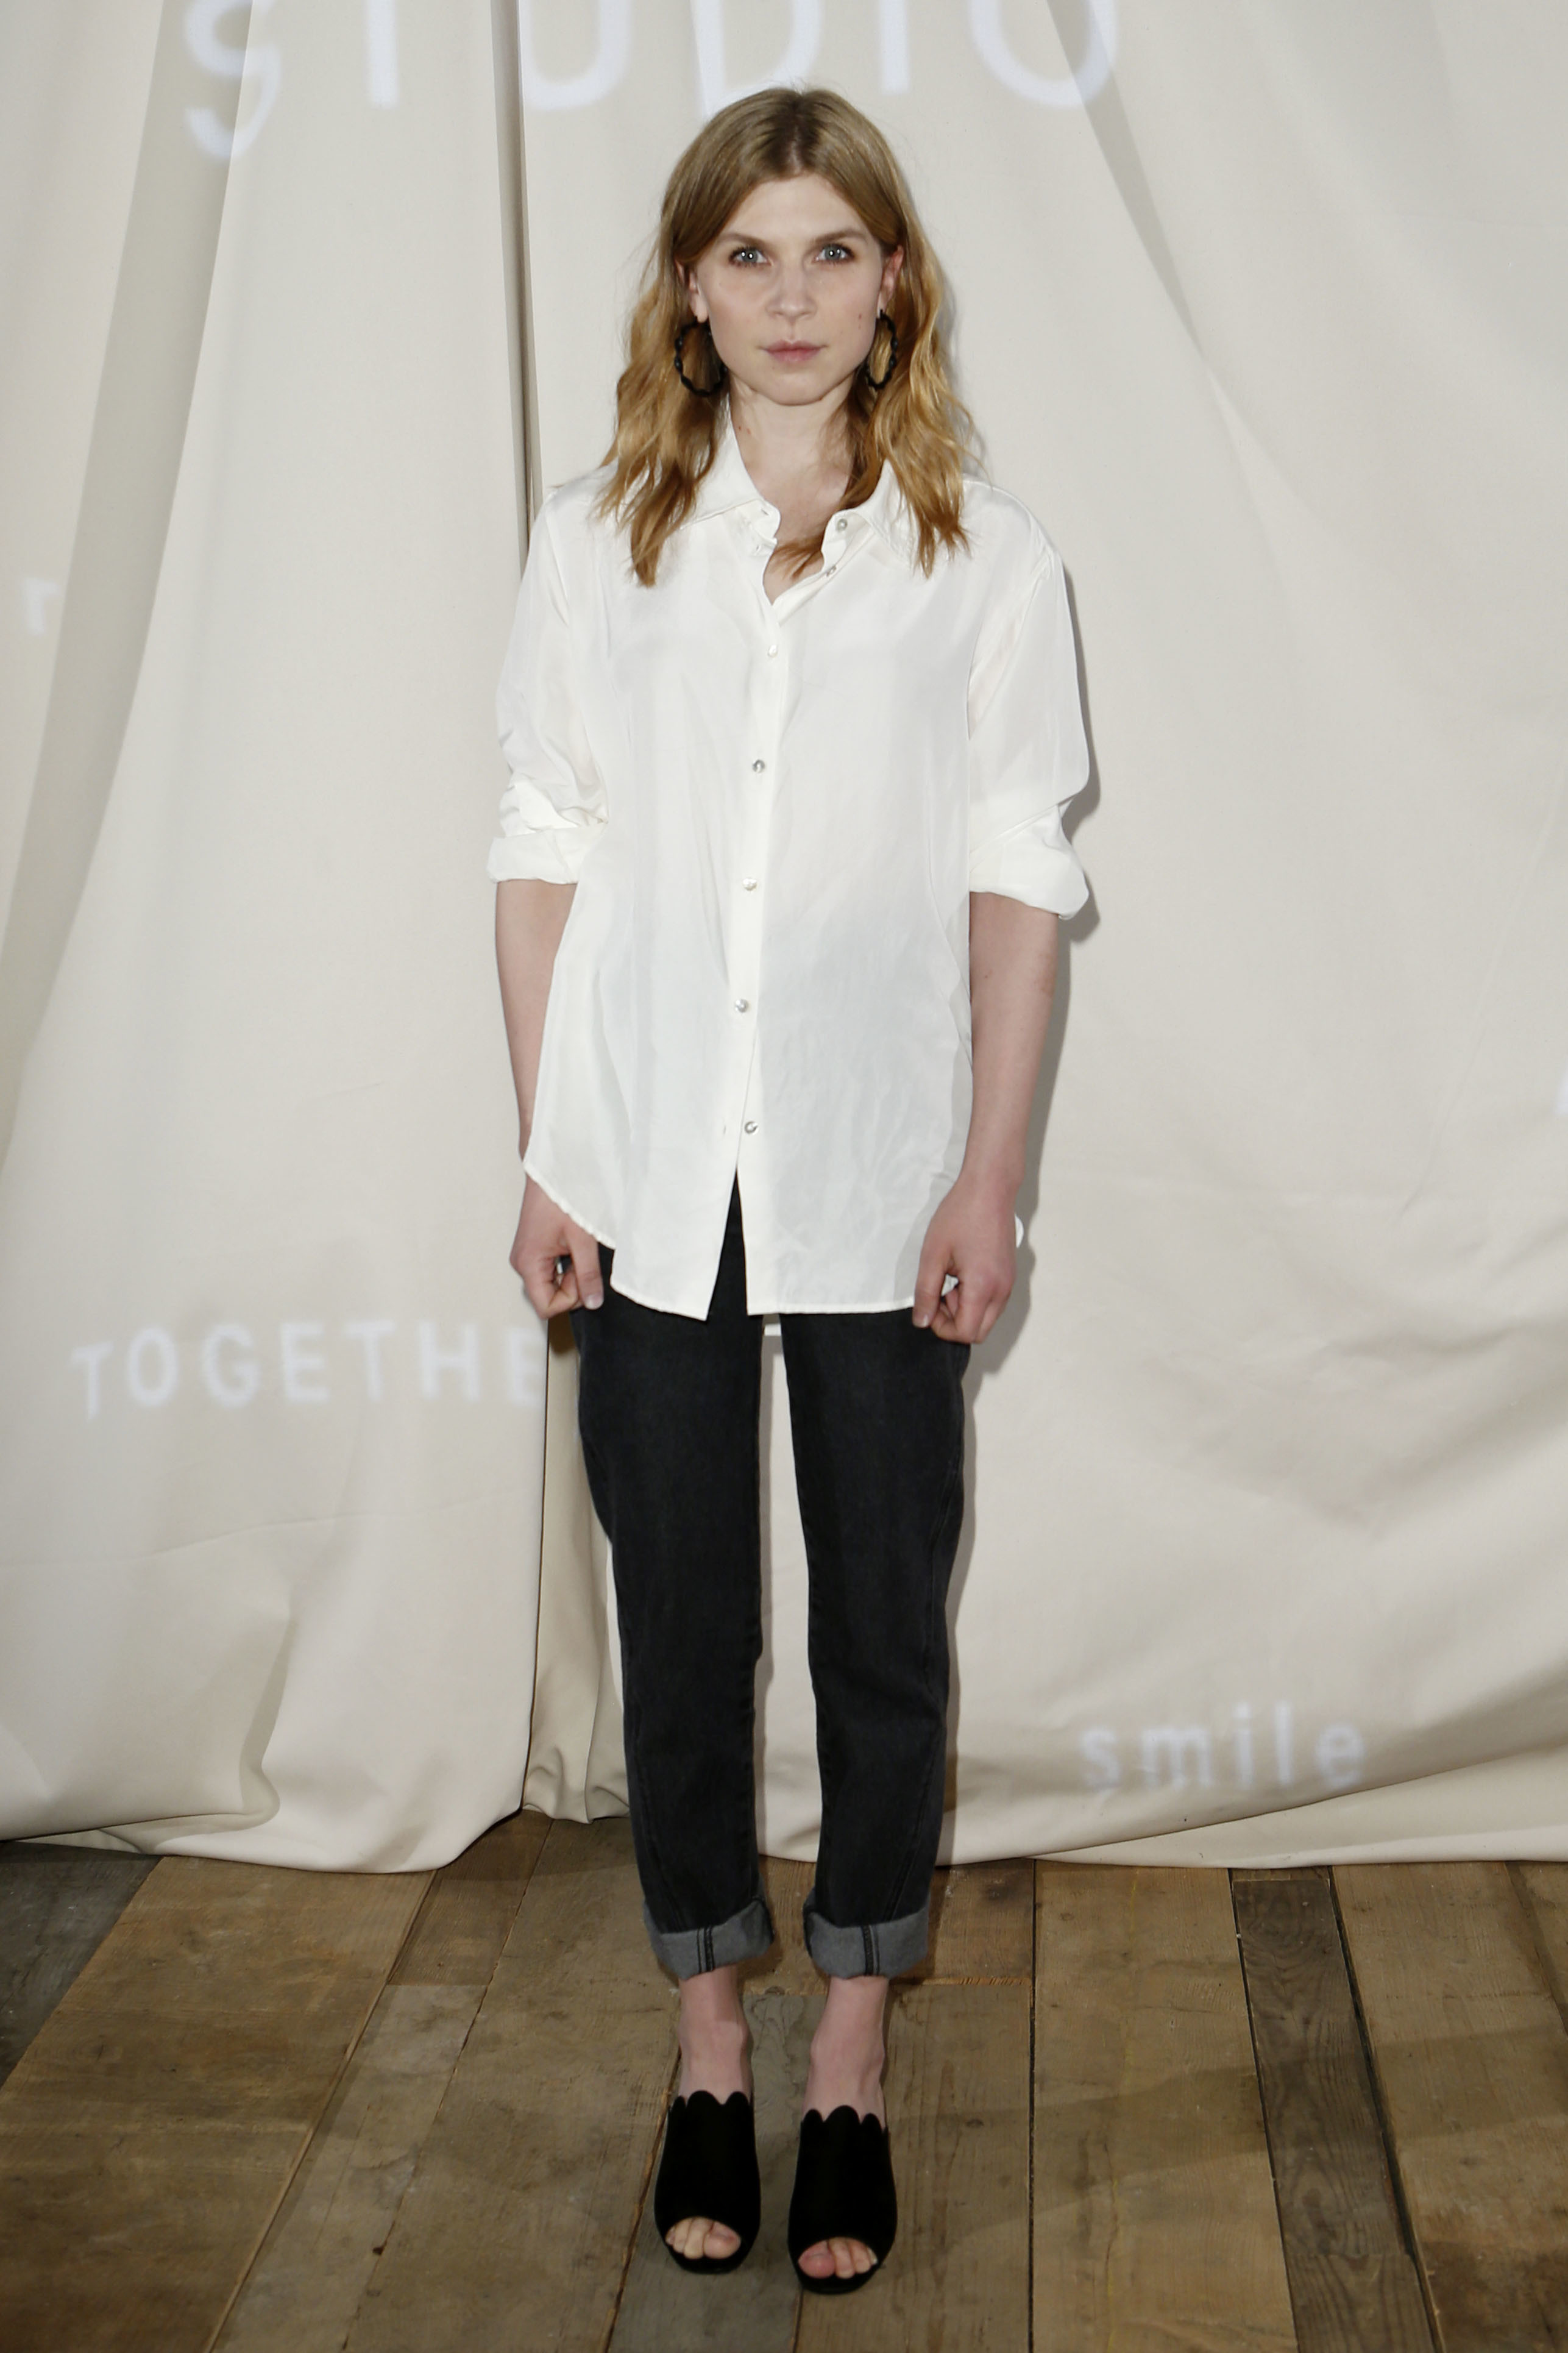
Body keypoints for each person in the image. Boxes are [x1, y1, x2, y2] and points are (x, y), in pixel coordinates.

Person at [490, 86, 1088, 2296]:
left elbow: (1016, 888)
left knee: (880, 1622)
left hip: (876, 1169)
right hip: (650, 1167)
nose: (793, 295)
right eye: (751, 253)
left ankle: (848, 2059)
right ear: (691, 287)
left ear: (894, 280)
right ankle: (708, 2045)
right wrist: (551, 1146)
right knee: (679, 1628)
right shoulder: (599, 545)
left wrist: (987, 1176)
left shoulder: (985, 563)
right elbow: (542, 851)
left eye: (834, 250)